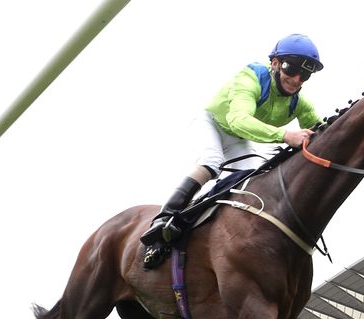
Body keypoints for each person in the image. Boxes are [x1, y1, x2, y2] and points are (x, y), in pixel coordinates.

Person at [139, 34, 325, 268]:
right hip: (212, 123)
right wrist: (286, 135)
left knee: (253, 180)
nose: (297, 79)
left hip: (238, 139)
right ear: (275, 63)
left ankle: (211, 224)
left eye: (305, 75)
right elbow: (237, 119)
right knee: (212, 162)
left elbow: (321, 131)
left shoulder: (299, 103)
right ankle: (164, 218)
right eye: (291, 69)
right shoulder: (250, 78)